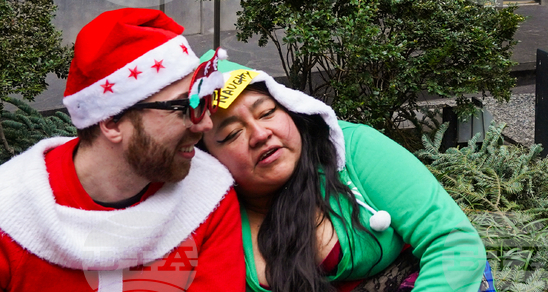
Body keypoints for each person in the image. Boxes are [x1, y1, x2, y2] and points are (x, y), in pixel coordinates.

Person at [199, 54, 489, 292]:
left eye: (267, 112)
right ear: (208, 159)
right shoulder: (207, 216)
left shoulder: (355, 149)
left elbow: (453, 242)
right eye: (233, 133)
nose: (260, 134)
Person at [0, 8, 242, 292]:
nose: (205, 124)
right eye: (186, 106)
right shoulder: (11, 207)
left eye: (204, 103)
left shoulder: (209, 193)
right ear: (112, 122)